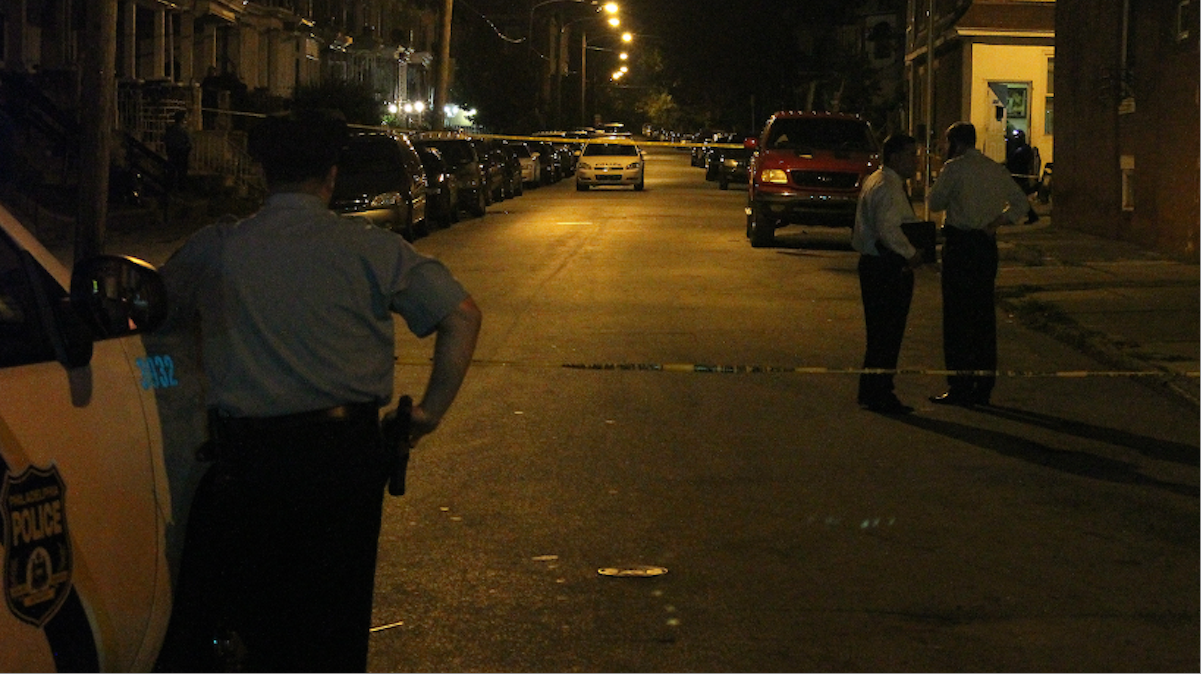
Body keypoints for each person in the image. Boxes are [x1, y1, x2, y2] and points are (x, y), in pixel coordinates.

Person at [153, 110, 482, 672]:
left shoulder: (218, 249)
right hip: (343, 460)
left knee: (251, 617)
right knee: (335, 614)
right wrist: (428, 412)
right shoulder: (372, 249)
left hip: (247, 461)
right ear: (331, 175)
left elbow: (153, 314)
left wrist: (160, 384)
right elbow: (462, 317)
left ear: (262, 174)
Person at [927, 121, 1029, 407]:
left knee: (958, 317)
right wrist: (998, 221)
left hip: (960, 245)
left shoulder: (954, 169)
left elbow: (934, 202)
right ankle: (983, 386)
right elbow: (1021, 204)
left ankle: (959, 384)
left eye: (947, 143)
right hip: (985, 245)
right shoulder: (995, 168)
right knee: (983, 315)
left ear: (955, 143)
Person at [851, 134, 927, 414]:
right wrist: (912, 254)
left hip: (877, 265)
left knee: (880, 333)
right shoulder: (887, 186)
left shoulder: (880, 180)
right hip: (886, 267)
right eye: (910, 155)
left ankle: (872, 389)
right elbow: (889, 229)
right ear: (895, 156)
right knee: (887, 333)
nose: (915, 160)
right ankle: (880, 392)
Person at [1005, 129, 1040, 224]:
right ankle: (1030, 216)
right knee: (1018, 198)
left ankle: (1028, 216)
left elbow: (1016, 161)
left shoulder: (1024, 149)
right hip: (1017, 176)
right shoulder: (1018, 148)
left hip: (1021, 177)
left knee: (1018, 198)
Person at [164, 110, 192, 191]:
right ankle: (181, 188)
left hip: (172, 153)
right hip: (181, 153)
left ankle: (170, 188)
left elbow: (167, 140)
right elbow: (188, 143)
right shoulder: (183, 131)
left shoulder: (171, 130)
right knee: (182, 172)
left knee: (171, 172)